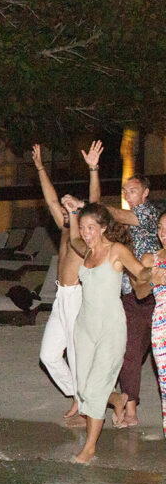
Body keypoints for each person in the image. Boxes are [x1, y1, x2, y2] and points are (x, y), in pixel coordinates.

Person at [61, 196, 153, 463]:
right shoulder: (86, 250)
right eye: (83, 228)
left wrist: (152, 272)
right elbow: (73, 240)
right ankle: (117, 400)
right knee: (85, 389)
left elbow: (139, 272)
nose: (86, 233)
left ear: (103, 227)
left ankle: (89, 448)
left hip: (111, 327)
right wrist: (74, 214)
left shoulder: (116, 251)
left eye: (91, 228)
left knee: (95, 389)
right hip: (85, 327)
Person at [33, 141, 102, 424]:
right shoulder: (63, 227)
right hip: (60, 297)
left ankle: (85, 405)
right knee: (48, 355)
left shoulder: (84, 233)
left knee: (76, 355)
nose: (63, 206)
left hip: (77, 298)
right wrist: (39, 166)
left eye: (69, 204)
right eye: (63, 205)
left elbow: (96, 204)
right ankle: (78, 395)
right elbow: (50, 199)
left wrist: (93, 169)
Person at [104, 176, 165, 426]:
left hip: (148, 300)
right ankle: (130, 409)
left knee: (132, 351)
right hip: (139, 296)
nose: (128, 194)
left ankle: (129, 407)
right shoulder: (153, 255)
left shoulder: (150, 214)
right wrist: (152, 280)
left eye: (134, 190)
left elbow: (118, 214)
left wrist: (91, 205)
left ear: (146, 192)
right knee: (130, 351)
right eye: (125, 191)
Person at [141, 211, 166, 438]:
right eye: (160, 227)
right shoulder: (151, 259)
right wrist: (152, 280)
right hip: (161, 326)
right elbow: (138, 290)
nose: (163, 233)